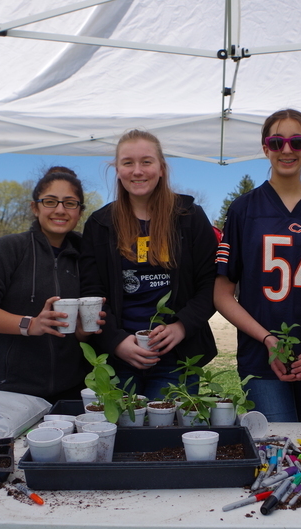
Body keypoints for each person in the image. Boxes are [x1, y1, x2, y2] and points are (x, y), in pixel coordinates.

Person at [213, 109, 301, 422]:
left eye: (296, 142)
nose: (286, 149)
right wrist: (267, 339)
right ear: (265, 147)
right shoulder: (243, 209)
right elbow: (222, 294)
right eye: (276, 141)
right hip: (261, 356)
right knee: (279, 443)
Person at [80, 129, 218, 400]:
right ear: (117, 170)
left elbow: (210, 284)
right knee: (121, 427)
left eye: (146, 161)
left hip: (177, 358)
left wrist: (182, 326)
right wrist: (116, 341)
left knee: (167, 428)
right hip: (118, 359)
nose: (137, 171)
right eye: (128, 162)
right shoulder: (100, 224)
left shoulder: (190, 217)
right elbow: (92, 293)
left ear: (161, 168)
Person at [0, 167, 98, 404]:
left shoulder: (86, 254)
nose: (60, 210)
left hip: (74, 389)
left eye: (70, 203)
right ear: (35, 207)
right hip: (10, 390)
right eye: (50, 201)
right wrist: (30, 324)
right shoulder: (8, 248)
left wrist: (83, 332)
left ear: (80, 211)